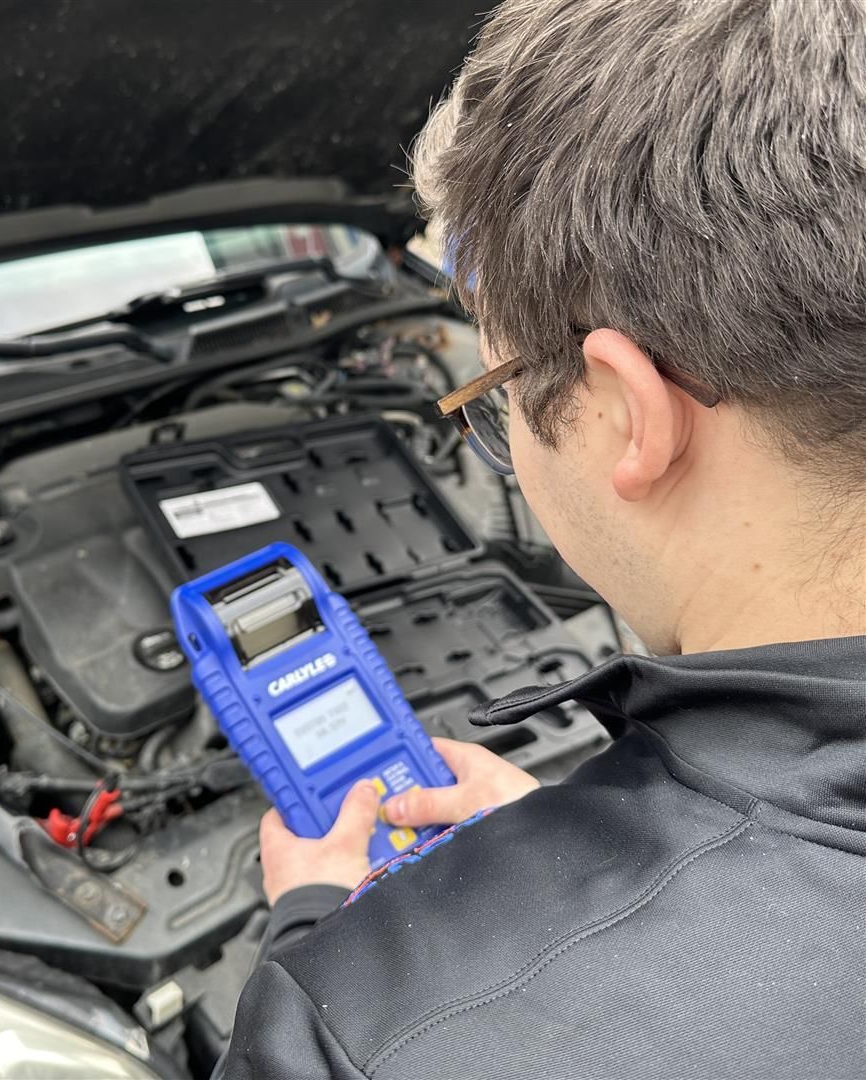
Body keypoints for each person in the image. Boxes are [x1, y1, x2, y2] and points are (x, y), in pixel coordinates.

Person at [216, 0, 866, 1076]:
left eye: (492, 388)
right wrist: (600, 865)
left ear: (622, 412)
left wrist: (323, 925)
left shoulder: (360, 1033)